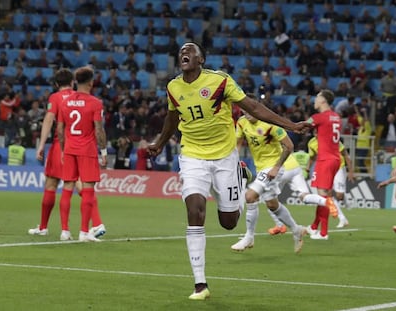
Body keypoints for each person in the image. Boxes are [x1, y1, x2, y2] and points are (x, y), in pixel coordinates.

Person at [147, 42, 311, 300]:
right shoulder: (173, 87)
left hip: (224, 157)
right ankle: (200, 284)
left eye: (190, 51)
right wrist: (159, 142)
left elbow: (253, 107)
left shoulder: (221, 81)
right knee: (194, 210)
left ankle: (240, 174)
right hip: (192, 156)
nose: (184, 54)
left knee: (228, 222)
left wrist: (290, 125)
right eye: (181, 52)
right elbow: (172, 118)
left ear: (201, 59)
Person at [28, 68, 106, 241]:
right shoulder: (83, 98)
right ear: (72, 82)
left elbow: (50, 120)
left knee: (53, 184)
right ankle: (95, 223)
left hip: (62, 146)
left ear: (56, 84)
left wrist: (41, 145)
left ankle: (46, 227)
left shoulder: (57, 98)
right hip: (83, 147)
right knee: (83, 186)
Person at [231, 102, 307, 253]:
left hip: (273, 167)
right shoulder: (241, 122)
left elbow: (289, 146)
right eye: (244, 110)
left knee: (250, 196)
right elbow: (238, 143)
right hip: (261, 168)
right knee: (272, 205)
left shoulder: (270, 124)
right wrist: (233, 162)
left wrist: (277, 167)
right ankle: (296, 229)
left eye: (249, 109)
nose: (247, 113)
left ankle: (249, 237)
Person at [57, 66, 107, 242]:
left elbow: (60, 129)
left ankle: (64, 231)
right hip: (87, 150)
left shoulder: (65, 102)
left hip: (70, 149)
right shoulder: (95, 103)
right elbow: (99, 130)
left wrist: (63, 150)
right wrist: (104, 151)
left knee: (67, 188)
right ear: (91, 82)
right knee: (87, 191)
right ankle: (84, 232)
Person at [299, 90, 342, 240]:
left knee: (323, 197)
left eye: (317, 98)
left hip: (325, 160)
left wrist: (288, 126)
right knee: (323, 196)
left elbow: (303, 125)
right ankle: (314, 227)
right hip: (336, 159)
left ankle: (323, 234)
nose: (314, 101)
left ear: (323, 100)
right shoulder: (336, 117)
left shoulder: (318, 117)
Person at [306, 133, 354, 228]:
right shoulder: (311, 143)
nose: (316, 133)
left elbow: (345, 155)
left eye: (318, 130)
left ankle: (346, 200)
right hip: (324, 169)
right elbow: (312, 156)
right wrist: (308, 167)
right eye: (315, 131)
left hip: (338, 167)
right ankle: (342, 219)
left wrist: (351, 171)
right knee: (328, 195)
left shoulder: (332, 139)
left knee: (339, 195)